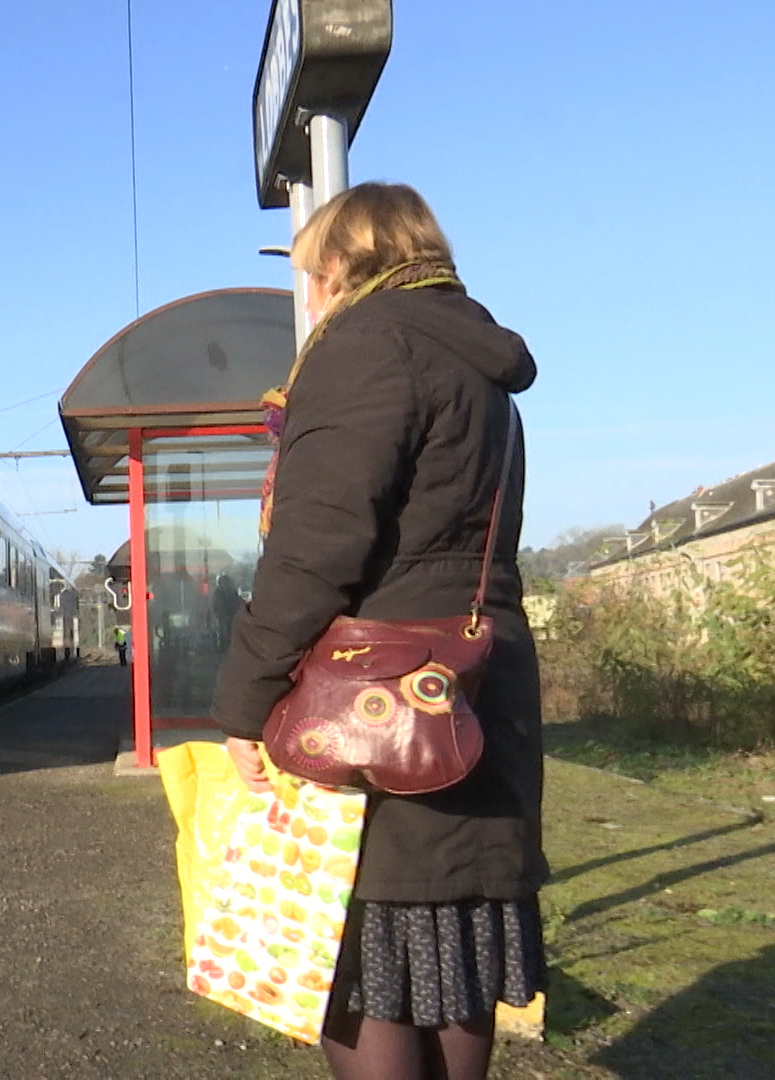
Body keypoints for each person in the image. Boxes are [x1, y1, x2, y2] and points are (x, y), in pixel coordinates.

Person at [209, 182, 546, 1080]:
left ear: (342, 269)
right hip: (475, 682)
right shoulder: (480, 370)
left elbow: (317, 547)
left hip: (376, 695)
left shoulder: (367, 348)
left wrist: (244, 699)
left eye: (312, 276)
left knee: (358, 968)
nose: (308, 297)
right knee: (451, 959)